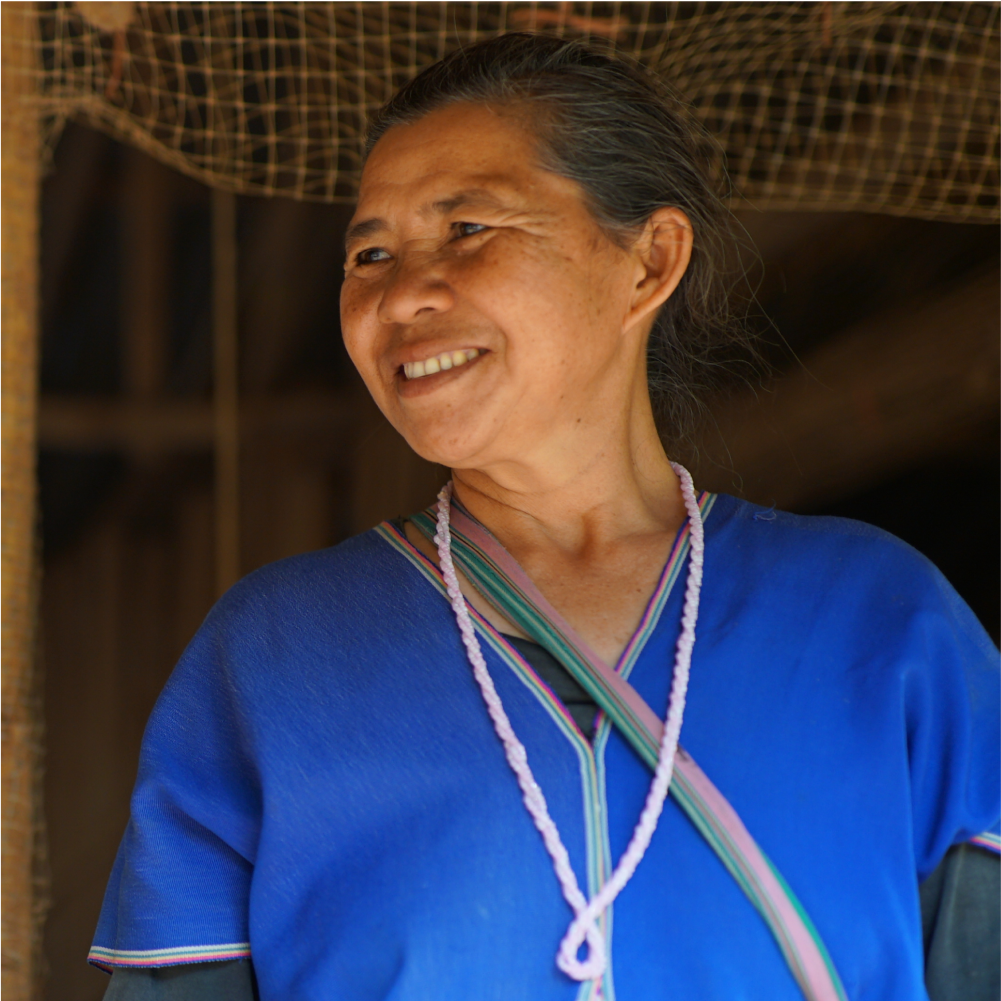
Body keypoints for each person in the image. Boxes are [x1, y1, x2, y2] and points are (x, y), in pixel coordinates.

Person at [93, 33, 1001, 1001]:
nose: (402, 294)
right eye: (369, 253)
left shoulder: (881, 625)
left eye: (468, 229)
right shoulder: (273, 657)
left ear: (648, 262)